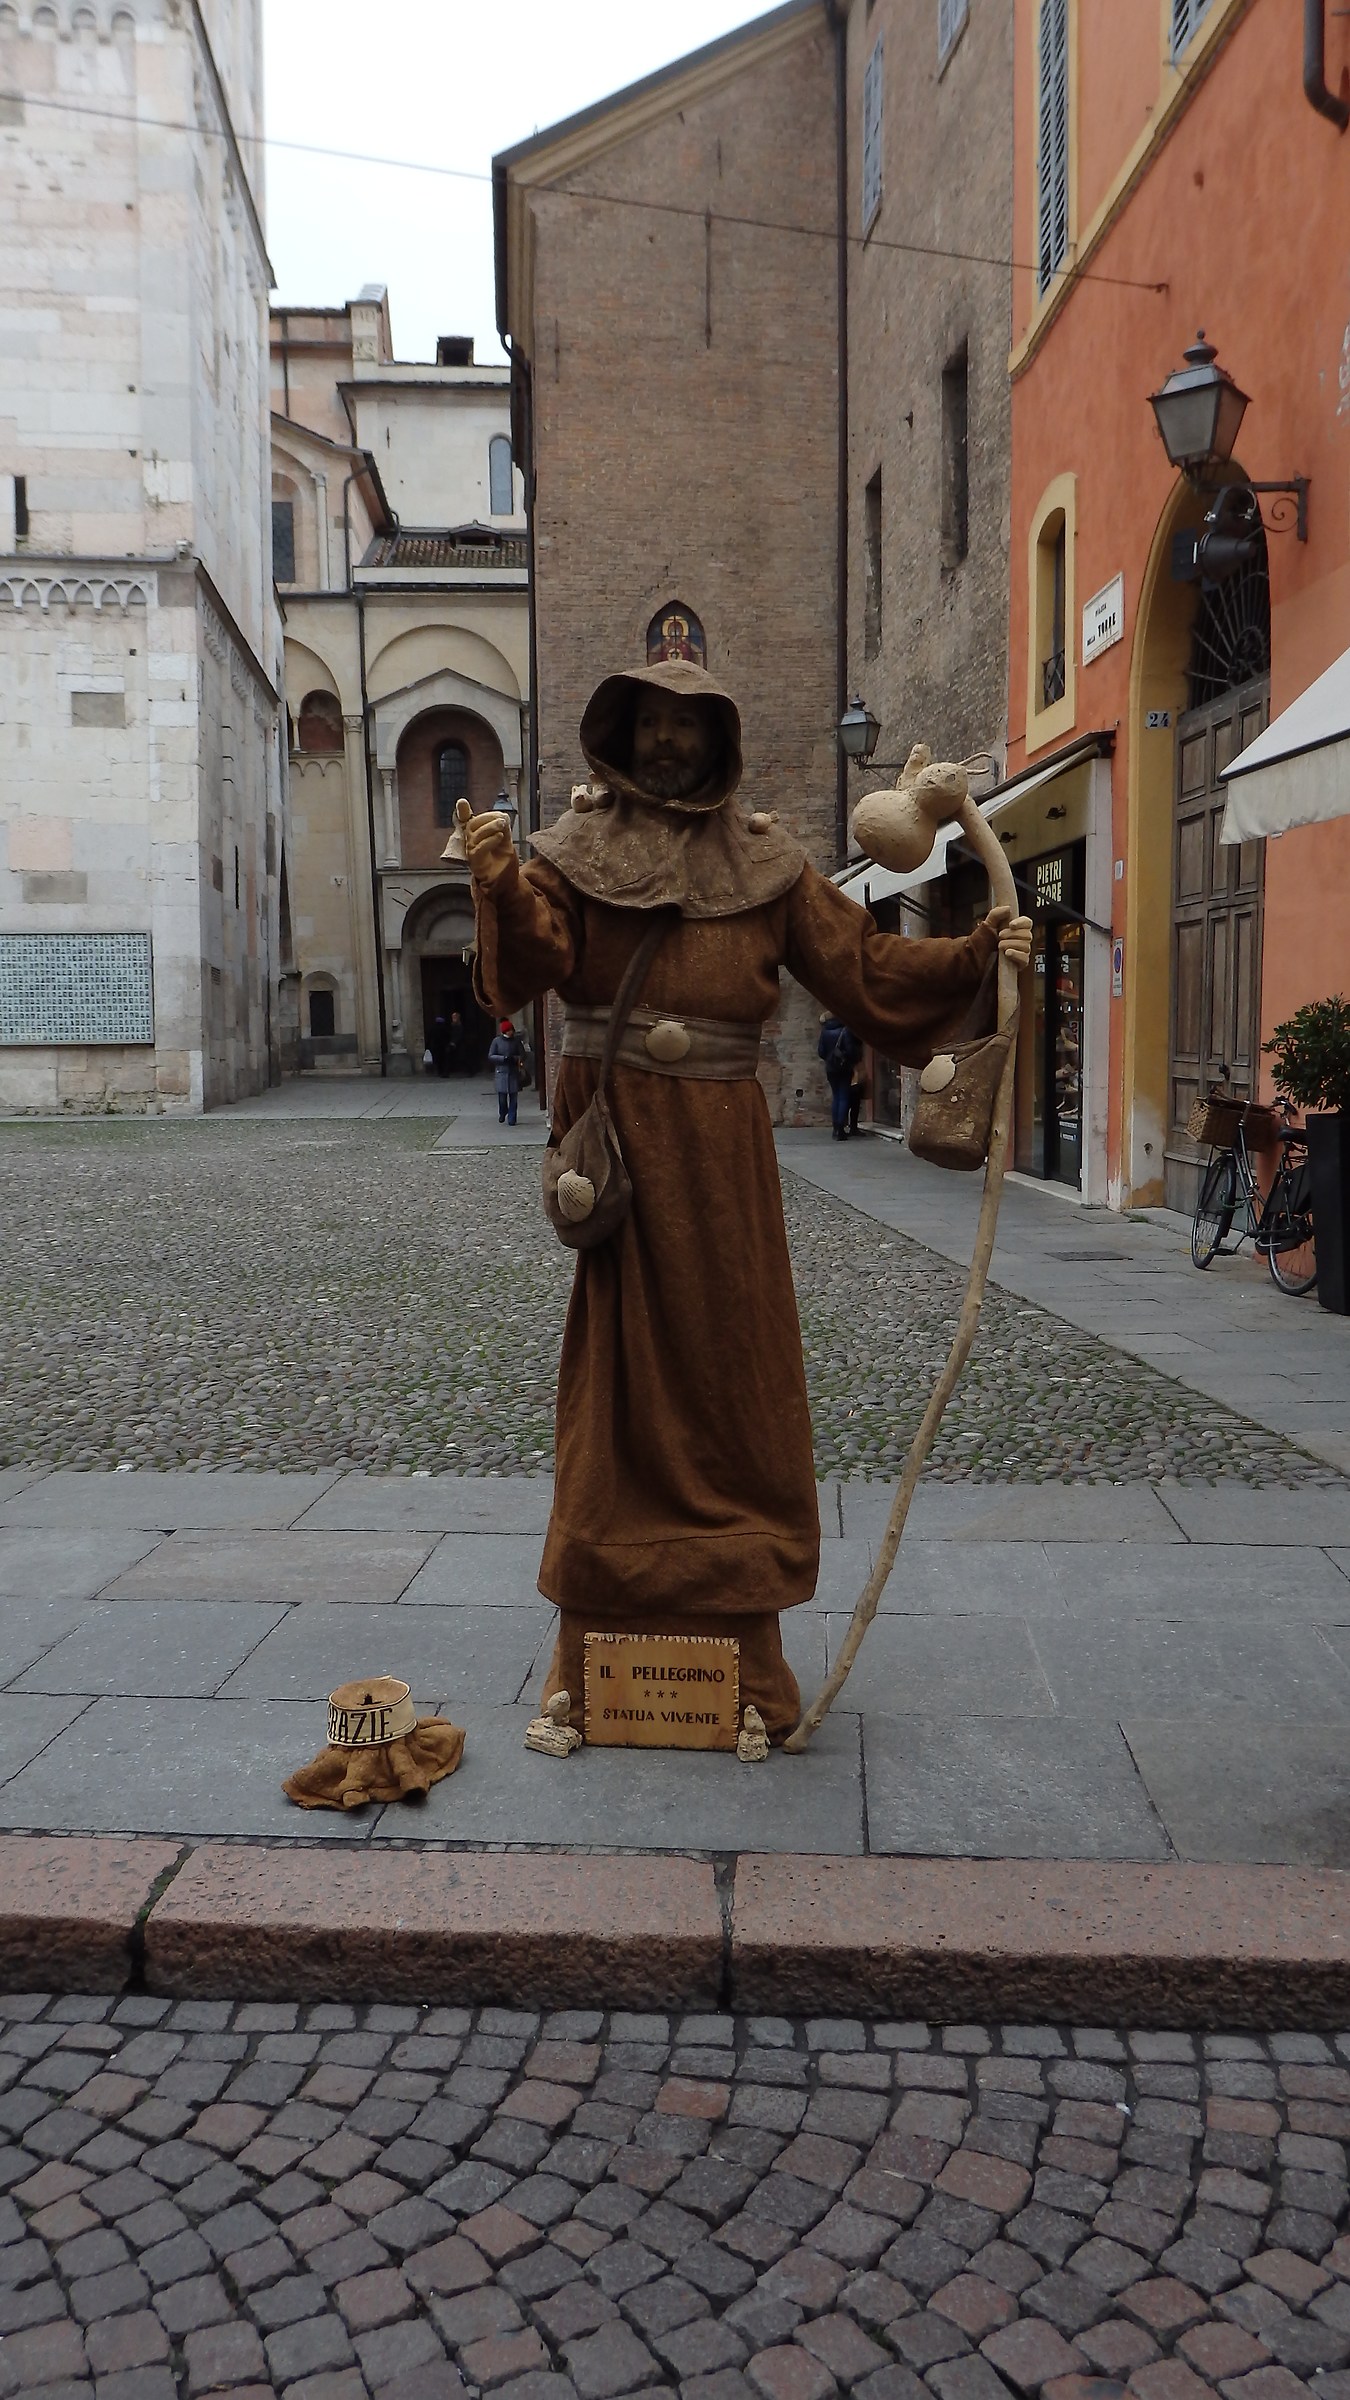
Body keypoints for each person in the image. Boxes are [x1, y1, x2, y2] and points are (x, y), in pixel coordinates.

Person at [463, 659, 1031, 1739]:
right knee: (621, 1381)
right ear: (620, 735)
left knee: (736, 1372)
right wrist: (495, 883)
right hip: (621, 1156)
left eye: (686, 724)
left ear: (715, 738)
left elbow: (861, 969)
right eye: (650, 722)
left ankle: (740, 1623)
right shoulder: (572, 857)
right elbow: (526, 968)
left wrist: (969, 954)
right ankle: (601, 1620)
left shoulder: (767, 863)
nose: (667, 740)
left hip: (723, 1165)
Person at [818, 1013, 862, 1139]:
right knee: (843, 1096)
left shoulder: (825, 1031)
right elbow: (850, 1051)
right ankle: (840, 1130)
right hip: (844, 1067)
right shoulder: (845, 1030)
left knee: (836, 1096)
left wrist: (830, 1058)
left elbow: (821, 1052)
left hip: (830, 1068)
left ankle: (835, 1129)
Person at [488, 1017, 524, 1124]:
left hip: (513, 1072)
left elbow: (523, 1054)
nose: (511, 1032)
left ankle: (512, 1118)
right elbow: (491, 1055)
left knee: (514, 1096)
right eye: (508, 1031)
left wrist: (516, 1058)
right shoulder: (497, 1041)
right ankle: (503, 1112)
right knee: (502, 1098)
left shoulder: (516, 1041)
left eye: (511, 1030)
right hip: (501, 1072)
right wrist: (503, 1059)